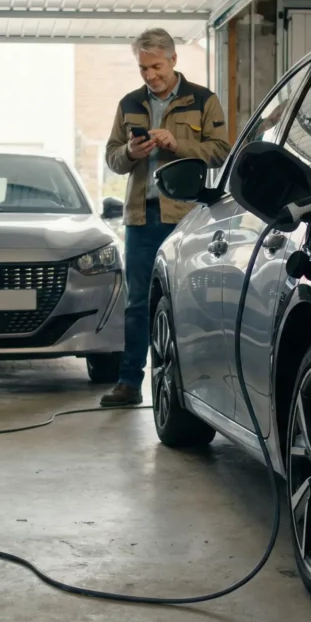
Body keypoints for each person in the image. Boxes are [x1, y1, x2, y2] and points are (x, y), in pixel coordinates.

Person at [99, 28, 232, 407]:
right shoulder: (129, 104)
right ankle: (129, 383)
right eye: (143, 68)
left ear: (174, 60)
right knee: (137, 303)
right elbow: (112, 158)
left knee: (190, 302)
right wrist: (131, 151)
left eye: (156, 66)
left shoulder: (203, 100)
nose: (150, 75)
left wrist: (178, 145)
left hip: (189, 218)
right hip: (142, 218)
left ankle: (200, 386)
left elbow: (222, 151)